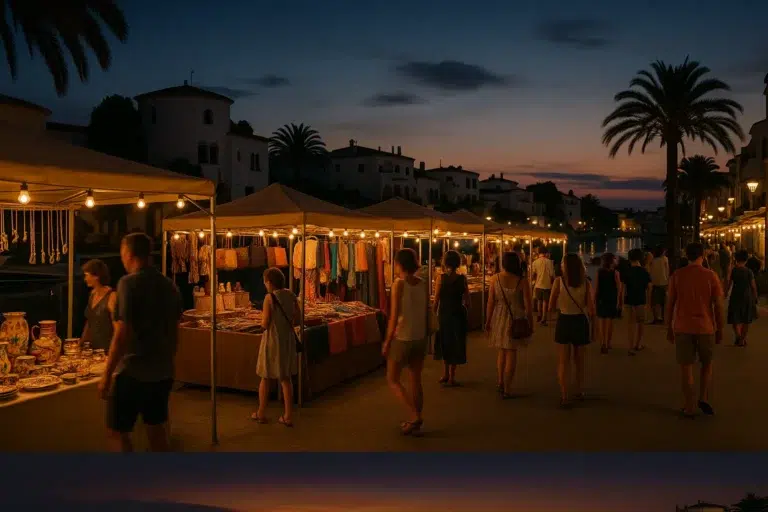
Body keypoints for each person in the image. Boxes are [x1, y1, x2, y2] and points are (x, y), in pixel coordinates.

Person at [100, 233, 182, 452]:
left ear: (129, 253)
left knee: (117, 432)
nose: (122, 260)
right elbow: (175, 332)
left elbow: (122, 333)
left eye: (122, 255)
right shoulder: (169, 286)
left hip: (133, 371)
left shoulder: (128, 283)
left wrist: (107, 375)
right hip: (162, 371)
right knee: (156, 431)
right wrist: (169, 364)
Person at [666, 242, 724, 417]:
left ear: (686, 256)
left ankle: (689, 404)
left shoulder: (677, 275)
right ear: (702, 256)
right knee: (706, 364)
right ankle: (703, 396)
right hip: (705, 326)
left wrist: (668, 326)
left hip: (683, 326)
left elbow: (670, 304)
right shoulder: (711, 276)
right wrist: (720, 328)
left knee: (686, 367)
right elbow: (718, 305)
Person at [383, 248, 428, 436]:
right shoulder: (423, 283)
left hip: (402, 337)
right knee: (415, 379)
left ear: (400, 263)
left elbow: (394, 316)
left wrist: (386, 340)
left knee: (393, 379)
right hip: (420, 337)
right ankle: (414, 417)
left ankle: (414, 415)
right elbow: (426, 311)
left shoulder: (398, 284)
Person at [252, 267, 299, 426]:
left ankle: (261, 413)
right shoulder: (291, 295)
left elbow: (265, 323)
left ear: (270, 282)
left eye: (265, 281)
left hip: (272, 340)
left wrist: (260, 324)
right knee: (285, 378)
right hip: (287, 339)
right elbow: (297, 318)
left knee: (265, 376)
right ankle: (288, 415)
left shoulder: (269, 298)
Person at [548, 253, 594, 407]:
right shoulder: (586, 283)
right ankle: (579, 390)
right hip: (580, 321)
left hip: (564, 320)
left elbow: (551, 306)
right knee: (579, 361)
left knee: (563, 361)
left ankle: (564, 394)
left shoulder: (559, 282)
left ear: (565, 266)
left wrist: (553, 315)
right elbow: (591, 308)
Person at [486, 251, 533, 399]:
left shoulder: (495, 279)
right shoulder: (522, 281)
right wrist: (531, 323)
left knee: (501, 351)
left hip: (499, 317)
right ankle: (507, 387)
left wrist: (487, 321)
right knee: (511, 352)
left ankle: (500, 382)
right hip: (516, 318)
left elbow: (491, 302)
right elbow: (528, 306)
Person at [433, 250, 470, 387]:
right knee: (456, 342)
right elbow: (467, 300)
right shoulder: (462, 279)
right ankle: (451, 376)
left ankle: (446, 373)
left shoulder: (440, 278)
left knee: (445, 342)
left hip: (444, 314)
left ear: (445, 262)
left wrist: (433, 314)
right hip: (458, 313)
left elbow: (436, 300)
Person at [81, 258, 117, 351]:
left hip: (107, 349)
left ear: (96, 276)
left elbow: (118, 327)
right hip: (92, 349)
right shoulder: (92, 294)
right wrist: (81, 343)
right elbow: (89, 321)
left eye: (87, 275)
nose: (85, 279)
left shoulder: (112, 296)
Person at [725, 250, 758, 347]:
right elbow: (753, 286)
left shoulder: (734, 271)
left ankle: (738, 336)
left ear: (736, 259)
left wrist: (726, 293)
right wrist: (755, 297)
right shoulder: (749, 272)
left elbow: (729, 283)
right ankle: (742, 338)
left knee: (735, 318)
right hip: (747, 297)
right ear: (746, 260)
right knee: (746, 319)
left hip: (735, 296)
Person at [622, 248, 652, 355]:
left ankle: (630, 346)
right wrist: (649, 302)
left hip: (628, 300)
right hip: (640, 300)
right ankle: (638, 344)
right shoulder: (644, 272)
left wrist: (621, 302)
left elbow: (623, 288)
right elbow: (649, 287)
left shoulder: (627, 271)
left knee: (630, 324)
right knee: (640, 323)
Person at [594, 252, 621, 354]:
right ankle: (608, 342)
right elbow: (619, 289)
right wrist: (619, 301)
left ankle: (602, 343)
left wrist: (594, 300)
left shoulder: (599, 272)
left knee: (602, 322)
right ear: (611, 261)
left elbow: (596, 287)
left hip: (601, 298)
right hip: (611, 299)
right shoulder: (615, 273)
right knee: (610, 322)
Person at [530, 247, 555, 326]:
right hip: (547, 285)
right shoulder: (549, 262)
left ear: (539, 253)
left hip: (538, 284)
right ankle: (544, 318)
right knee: (545, 302)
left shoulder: (535, 262)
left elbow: (533, 275)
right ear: (546, 253)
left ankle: (539, 316)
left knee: (539, 301)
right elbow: (552, 275)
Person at [649, 245, 670, 325]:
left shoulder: (653, 260)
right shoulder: (665, 259)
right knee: (663, 302)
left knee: (654, 302)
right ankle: (664, 318)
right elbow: (667, 271)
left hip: (655, 282)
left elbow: (651, 270)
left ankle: (656, 318)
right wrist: (668, 281)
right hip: (663, 282)